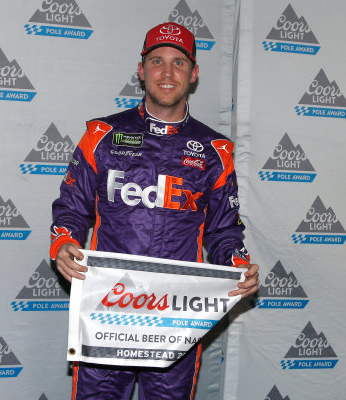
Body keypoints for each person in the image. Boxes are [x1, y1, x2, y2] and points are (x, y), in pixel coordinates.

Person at [50, 22, 259, 400]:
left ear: (193, 74)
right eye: (156, 61)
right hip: (107, 305)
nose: (167, 73)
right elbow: (72, 208)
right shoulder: (101, 136)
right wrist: (63, 242)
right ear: (141, 69)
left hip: (175, 314)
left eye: (178, 63)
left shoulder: (215, 151)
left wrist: (238, 262)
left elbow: (224, 231)